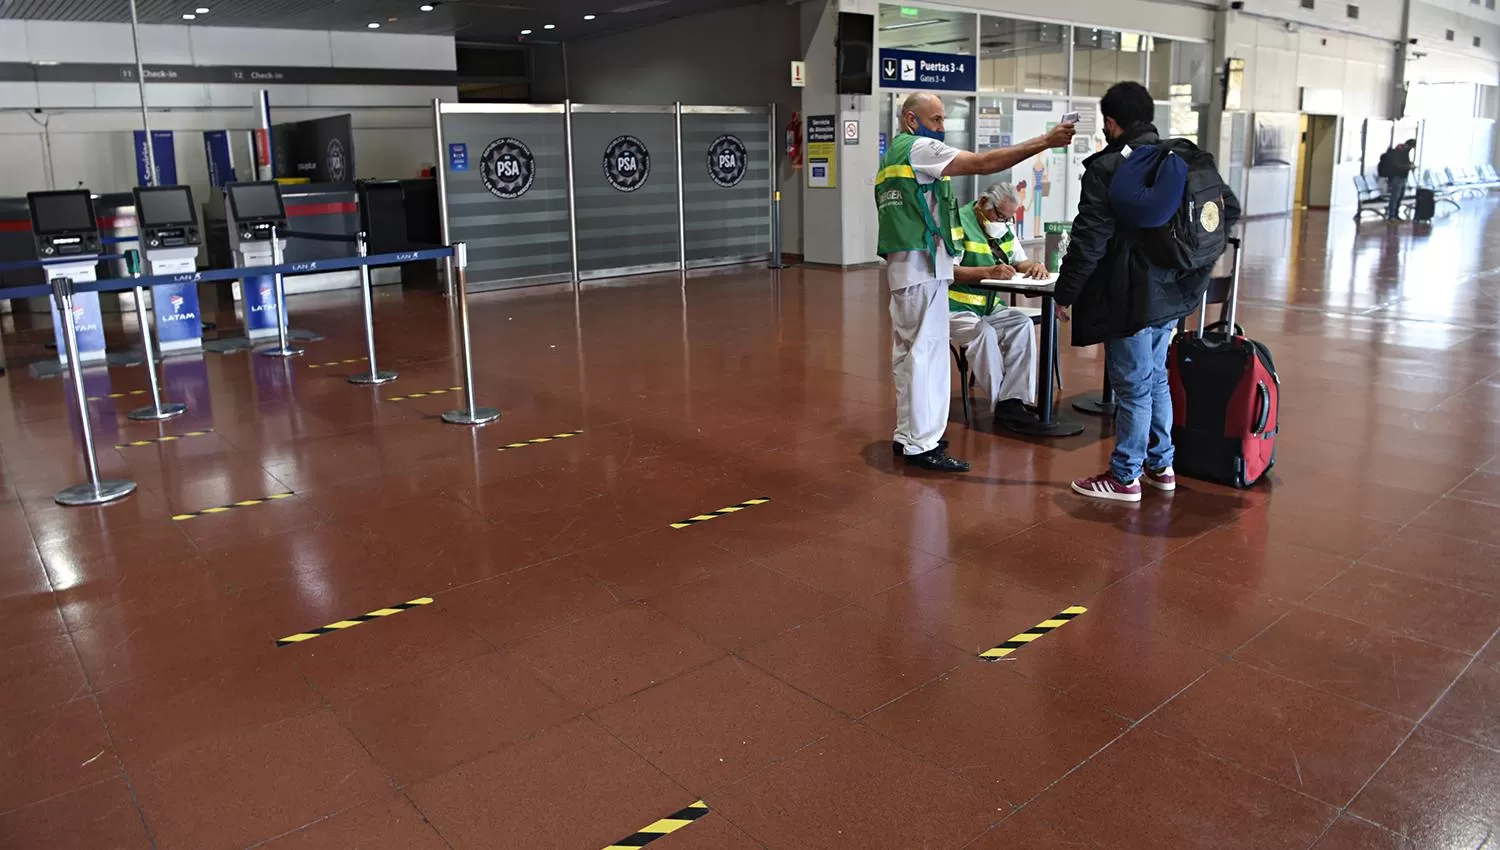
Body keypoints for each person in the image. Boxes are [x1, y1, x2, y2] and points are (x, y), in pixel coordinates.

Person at [1052, 81, 1240, 501]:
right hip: (1175, 294)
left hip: (1130, 297)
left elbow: (1089, 240)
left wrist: (1065, 293)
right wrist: (1189, 261)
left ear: (1111, 123)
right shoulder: (1185, 157)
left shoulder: (1107, 169)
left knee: (1134, 386)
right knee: (1155, 380)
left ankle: (1124, 476)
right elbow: (1229, 209)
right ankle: (1162, 465)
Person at [876, 92, 1075, 472]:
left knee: (908, 356)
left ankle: (908, 435)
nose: (941, 127)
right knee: (927, 358)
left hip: (906, 268)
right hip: (924, 268)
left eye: (941, 120)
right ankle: (923, 445)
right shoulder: (919, 148)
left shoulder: (894, 157)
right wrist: (1046, 141)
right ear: (910, 120)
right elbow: (984, 163)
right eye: (934, 119)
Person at [948, 183, 1046, 431]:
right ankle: (1001, 403)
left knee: (1021, 324)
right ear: (983, 203)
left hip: (989, 306)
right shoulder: (956, 222)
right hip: (954, 306)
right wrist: (987, 272)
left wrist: (1034, 267)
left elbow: (1019, 259)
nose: (1003, 221)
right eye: (1000, 215)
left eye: (1008, 217)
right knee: (984, 334)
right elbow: (947, 271)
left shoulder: (1002, 228)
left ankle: (1014, 399)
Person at [1378, 138, 1417, 221]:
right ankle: (1392, 215)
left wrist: (1409, 165)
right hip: (1396, 177)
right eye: (1412, 147)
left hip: (1402, 177)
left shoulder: (1404, 152)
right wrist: (1408, 166)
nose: (1411, 149)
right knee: (1395, 196)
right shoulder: (1398, 152)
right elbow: (1396, 165)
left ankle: (1395, 214)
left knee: (1399, 196)